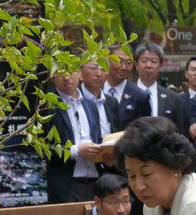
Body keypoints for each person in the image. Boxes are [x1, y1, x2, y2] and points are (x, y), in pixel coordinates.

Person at [45, 57, 118, 204]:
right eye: (60, 72)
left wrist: (106, 159)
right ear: (52, 78)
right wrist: (76, 151)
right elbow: (43, 149)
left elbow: (96, 141)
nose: (66, 77)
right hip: (67, 185)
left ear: (79, 72)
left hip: (95, 182)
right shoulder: (46, 106)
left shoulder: (90, 105)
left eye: (71, 70)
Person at [135, 42, 183, 130]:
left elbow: (179, 131)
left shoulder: (173, 98)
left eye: (153, 61)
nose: (148, 65)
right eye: (144, 61)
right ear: (136, 65)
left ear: (160, 66)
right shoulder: (127, 94)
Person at [103, 47, 152, 131]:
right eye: (119, 61)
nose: (124, 67)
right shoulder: (95, 90)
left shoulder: (140, 96)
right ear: (107, 62)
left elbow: (145, 131)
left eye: (129, 63)